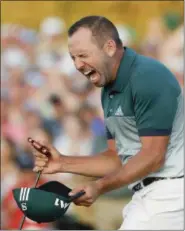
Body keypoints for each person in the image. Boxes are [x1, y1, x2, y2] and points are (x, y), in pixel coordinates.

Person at [29, 16, 184, 230]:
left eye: (83, 55)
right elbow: (116, 158)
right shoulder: (109, 88)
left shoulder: (148, 77)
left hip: (170, 196)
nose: (77, 65)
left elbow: (153, 156)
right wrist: (63, 162)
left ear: (110, 47)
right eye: (73, 58)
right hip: (147, 196)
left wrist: (99, 187)